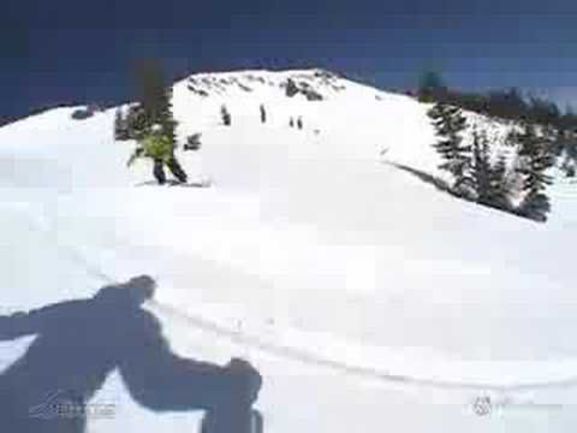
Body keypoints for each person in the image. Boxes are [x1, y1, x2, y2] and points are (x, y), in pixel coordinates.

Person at [0, 276, 262, 433]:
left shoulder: (74, 308)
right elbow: (155, 386)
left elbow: (13, 326)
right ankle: (232, 387)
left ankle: (230, 389)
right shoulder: (132, 321)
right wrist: (226, 386)